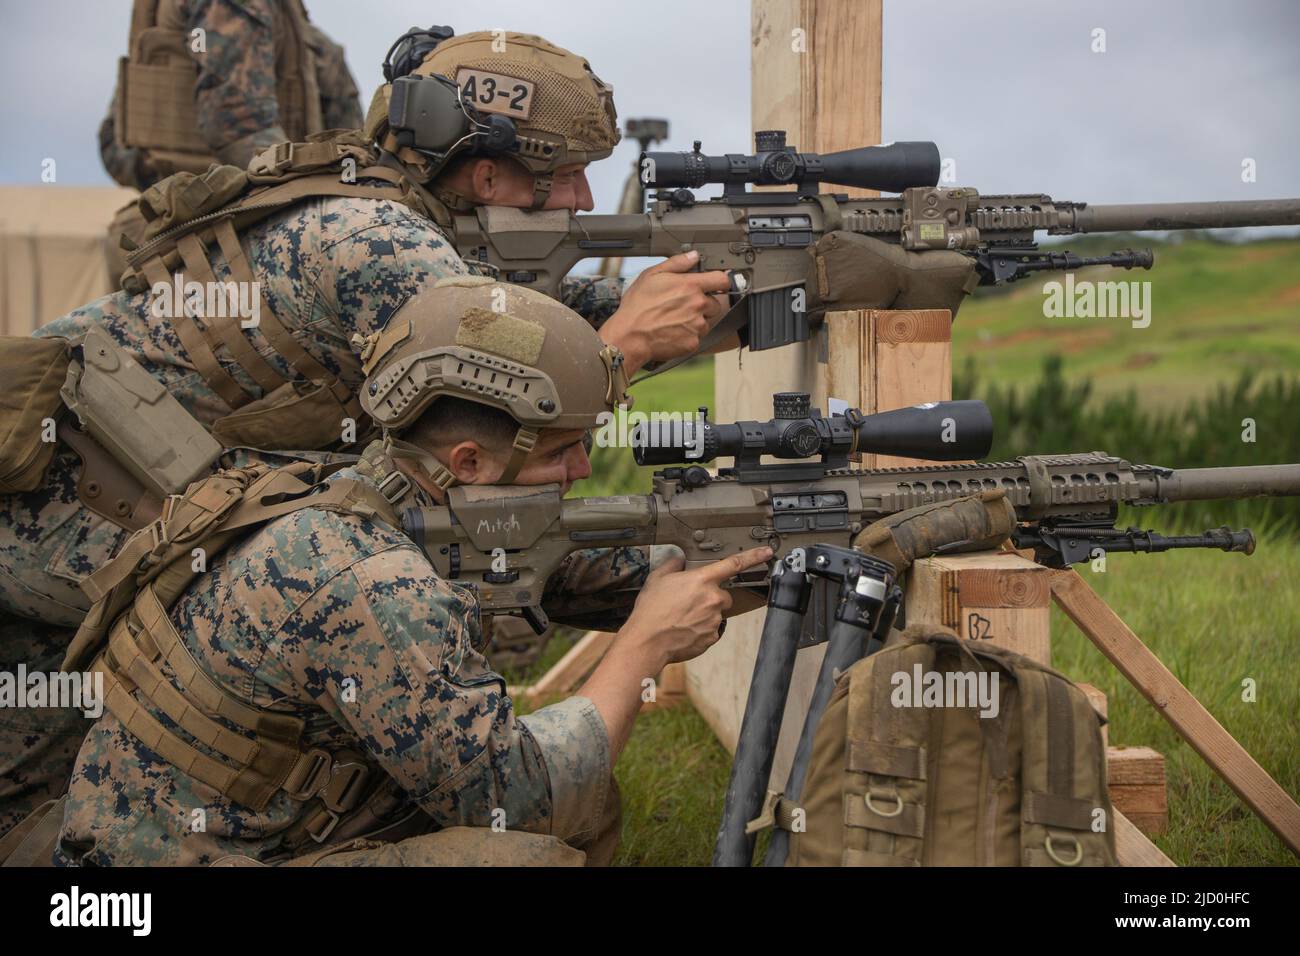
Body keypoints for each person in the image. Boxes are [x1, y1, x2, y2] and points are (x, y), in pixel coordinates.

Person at [0, 27, 730, 837]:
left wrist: (732, 294)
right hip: (72, 514)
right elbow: (514, 410)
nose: (586, 201)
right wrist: (622, 347)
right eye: (566, 177)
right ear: (486, 172)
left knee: (53, 766)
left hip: (109, 496)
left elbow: (537, 323)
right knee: (332, 636)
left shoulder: (395, 210)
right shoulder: (378, 242)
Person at [47, 279, 770, 866]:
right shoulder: (372, 581)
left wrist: (754, 551)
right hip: (163, 866)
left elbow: (582, 573)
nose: (583, 470)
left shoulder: (374, 491)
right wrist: (644, 645)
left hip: (209, 826)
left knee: (583, 785)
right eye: (562, 454)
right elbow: (521, 798)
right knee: (532, 849)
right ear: (469, 464)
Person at [99, 0, 364, 279]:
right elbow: (238, 127)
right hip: (209, 241)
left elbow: (114, 148)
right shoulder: (241, 10)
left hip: (167, 233)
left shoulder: (310, 40)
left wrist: (162, 174)